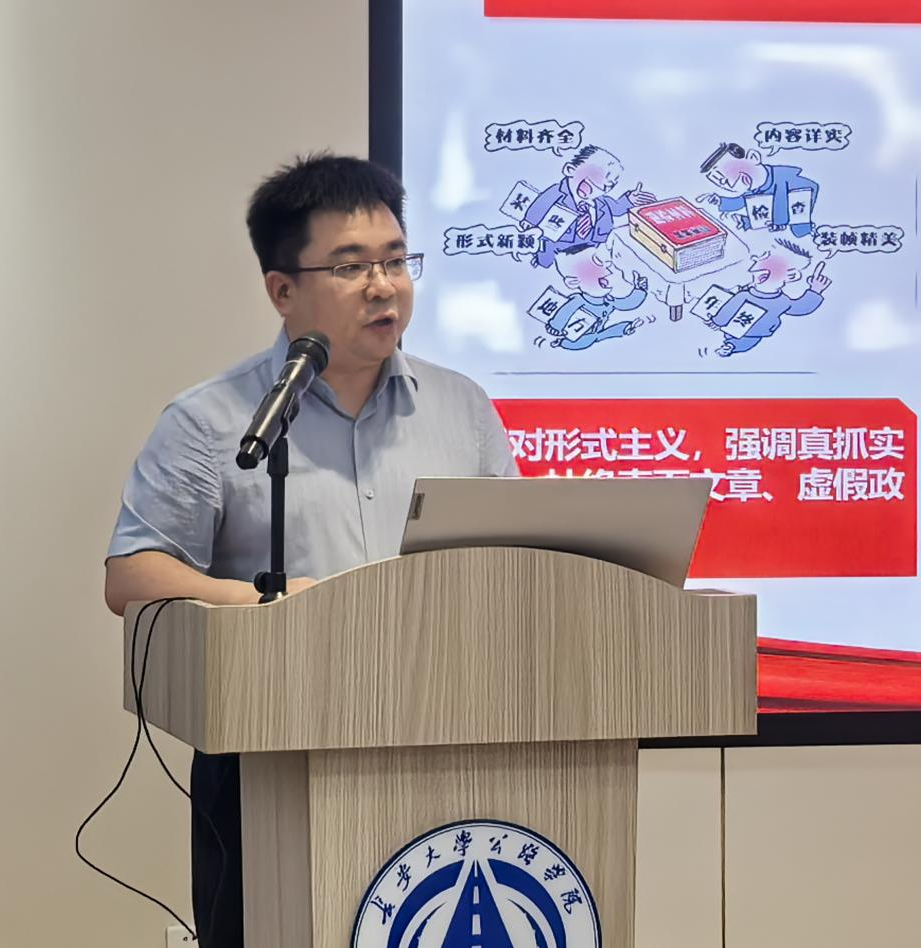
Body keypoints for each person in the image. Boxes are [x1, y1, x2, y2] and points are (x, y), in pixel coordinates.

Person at [103, 154, 518, 947]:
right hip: (270, 757)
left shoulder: (463, 408)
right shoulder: (212, 421)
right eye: (351, 266)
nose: (384, 286)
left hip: (453, 741)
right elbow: (132, 576)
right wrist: (271, 604)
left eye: (396, 260)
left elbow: (515, 559)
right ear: (282, 290)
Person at [522, 144, 655, 268]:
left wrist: (629, 199)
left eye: (610, 184)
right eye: (598, 175)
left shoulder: (602, 202)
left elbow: (617, 208)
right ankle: (543, 264)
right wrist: (530, 222)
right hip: (561, 242)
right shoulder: (557, 193)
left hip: (593, 244)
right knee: (547, 253)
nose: (604, 186)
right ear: (570, 170)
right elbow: (542, 203)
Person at [701, 237, 832, 356]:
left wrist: (717, 321)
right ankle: (731, 345)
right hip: (753, 329)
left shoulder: (754, 297)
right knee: (746, 340)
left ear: (791, 276)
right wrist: (815, 290)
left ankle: (731, 346)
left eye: (768, 257)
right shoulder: (777, 300)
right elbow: (800, 307)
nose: (756, 257)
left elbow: (800, 307)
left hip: (754, 329)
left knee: (746, 340)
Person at [697, 142, 820, 238]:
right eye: (721, 182)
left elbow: (782, 200)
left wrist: (780, 222)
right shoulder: (752, 188)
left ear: (753, 157)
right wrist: (719, 201)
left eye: (729, 170)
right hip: (770, 231)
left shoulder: (785, 178)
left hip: (798, 223)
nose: (728, 183)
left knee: (800, 230)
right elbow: (741, 201)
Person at [544, 242, 649, 350]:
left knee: (599, 336)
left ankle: (624, 328)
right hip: (579, 334)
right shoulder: (579, 300)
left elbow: (626, 303)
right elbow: (565, 311)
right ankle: (561, 342)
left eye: (603, 262)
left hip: (597, 331)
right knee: (585, 341)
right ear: (573, 282)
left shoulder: (608, 300)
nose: (607, 268)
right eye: (597, 262)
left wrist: (640, 290)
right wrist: (555, 326)